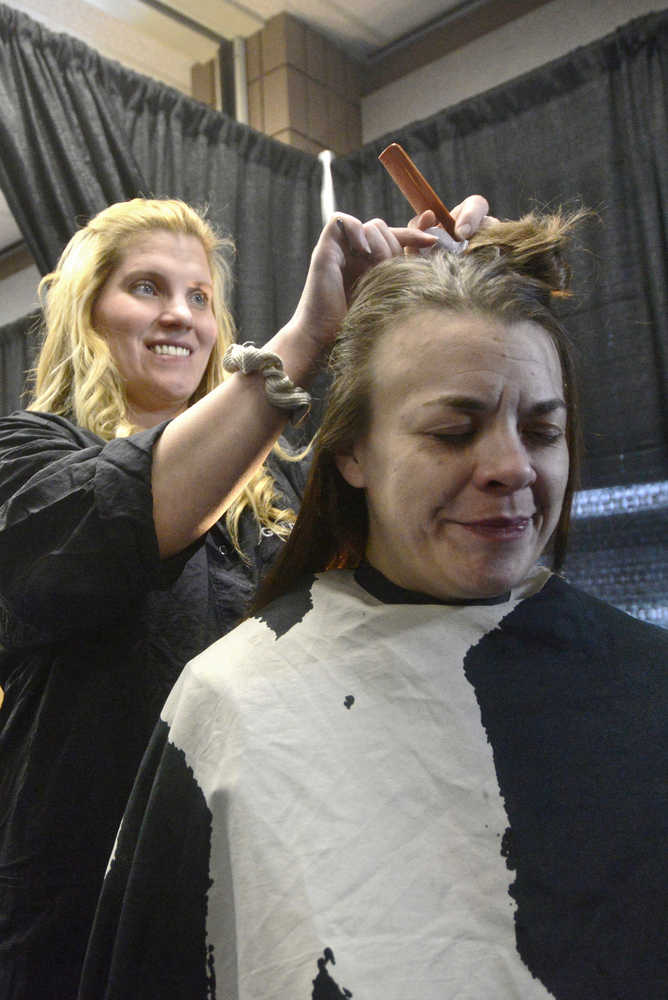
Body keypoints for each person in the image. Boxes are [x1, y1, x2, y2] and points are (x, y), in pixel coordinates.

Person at [80, 210, 667, 999]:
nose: (511, 468)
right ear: (351, 451)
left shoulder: (647, 684)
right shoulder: (234, 701)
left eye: (542, 429)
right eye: (454, 431)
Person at [0, 193, 490, 1000]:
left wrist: (431, 319)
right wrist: (307, 339)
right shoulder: (27, 458)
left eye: (200, 297)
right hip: (76, 917)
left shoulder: (270, 506)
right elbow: (117, 522)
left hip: (249, 909)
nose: (182, 316)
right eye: (148, 288)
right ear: (87, 313)